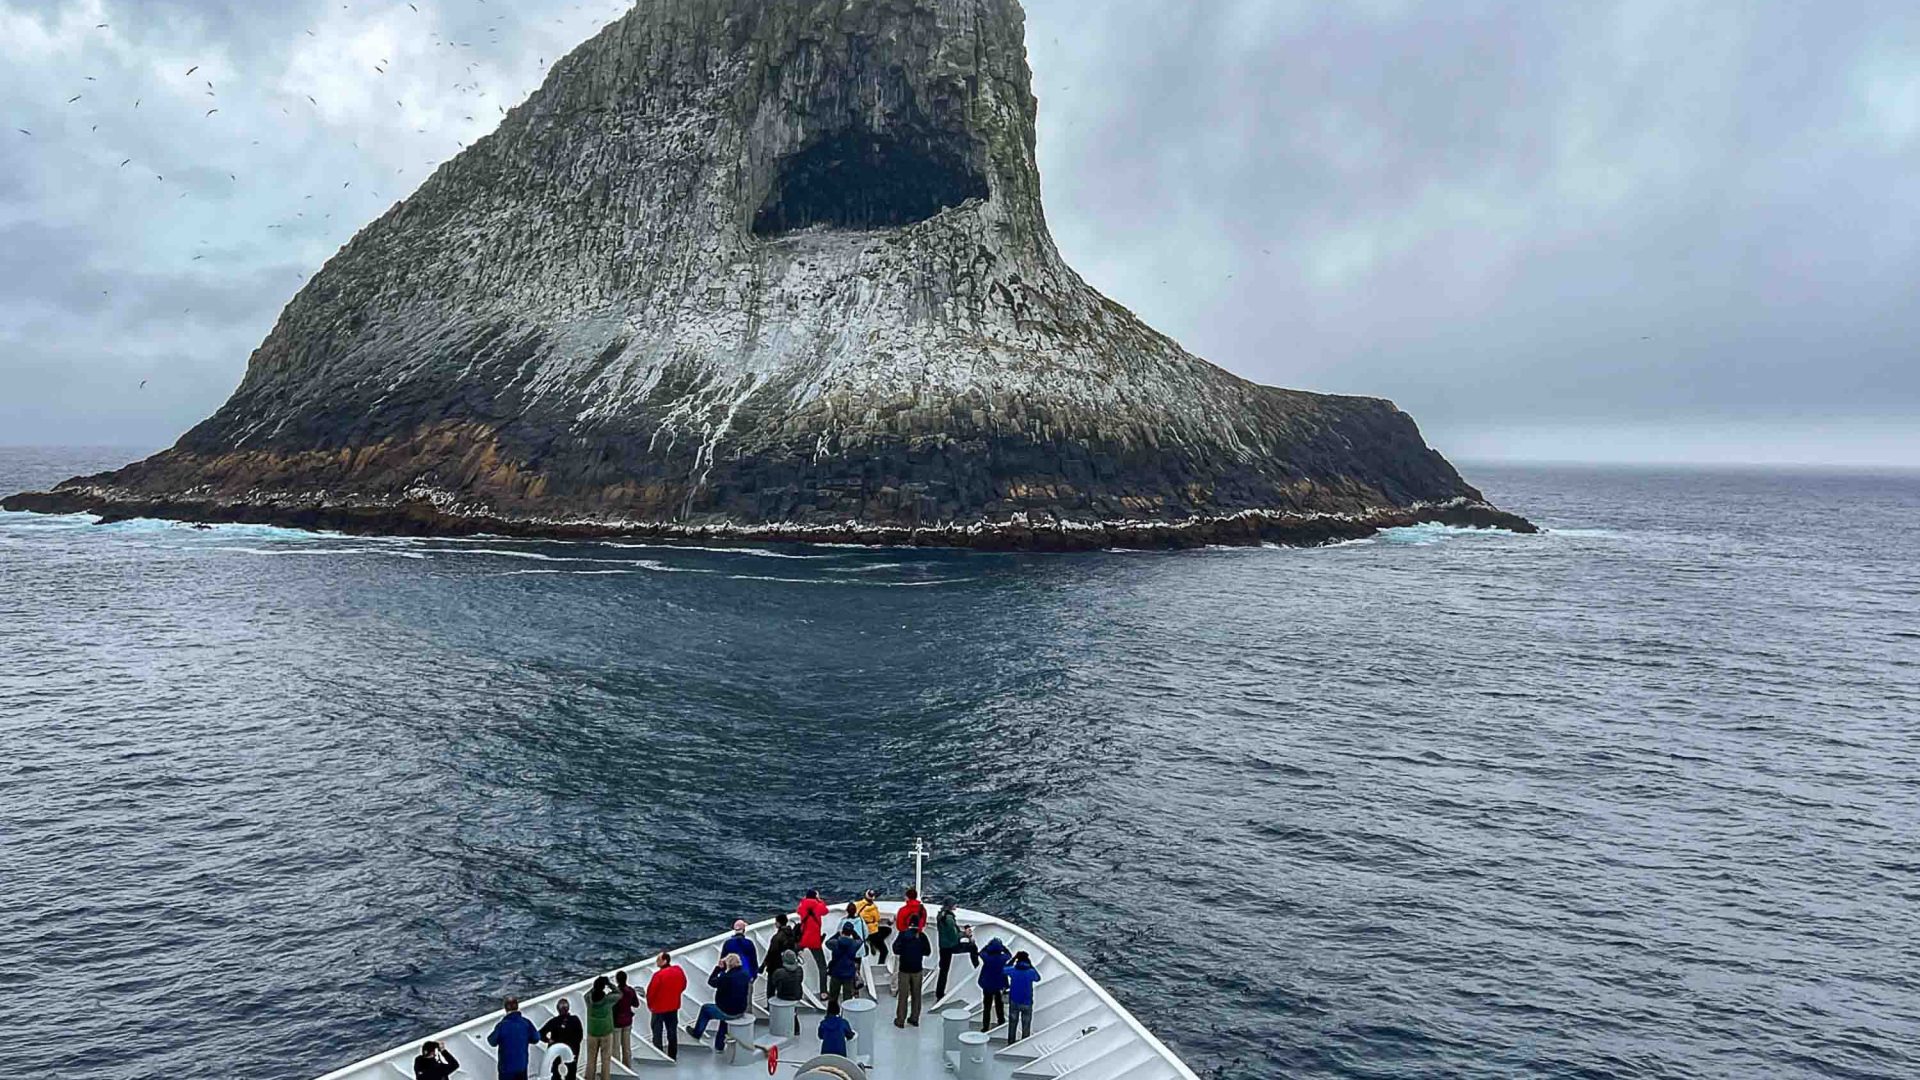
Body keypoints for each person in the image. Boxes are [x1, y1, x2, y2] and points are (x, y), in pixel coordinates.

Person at [688, 953, 752, 1052]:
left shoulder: (726, 977)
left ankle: (697, 1033)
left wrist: (718, 969)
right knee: (725, 1017)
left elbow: (711, 982)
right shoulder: (745, 974)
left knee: (706, 1009)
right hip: (740, 1009)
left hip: (728, 1011)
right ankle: (719, 1044)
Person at [487, 998, 542, 1080]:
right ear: (517, 1007)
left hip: (506, 1069)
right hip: (522, 1066)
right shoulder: (526, 1023)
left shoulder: (501, 1026)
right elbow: (536, 1038)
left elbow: (492, 1041)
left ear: (505, 1008)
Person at [646, 952, 686, 1060]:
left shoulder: (658, 976)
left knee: (657, 1032)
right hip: (673, 1006)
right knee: (672, 1031)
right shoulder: (678, 970)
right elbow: (683, 985)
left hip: (659, 1008)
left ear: (665, 961)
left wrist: (651, 1005)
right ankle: (673, 1055)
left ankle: (659, 1055)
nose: (656, 962)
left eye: (658, 959)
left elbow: (651, 993)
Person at [934, 905, 981, 1000]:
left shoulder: (941, 915)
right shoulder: (949, 919)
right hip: (951, 946)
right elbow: (953, 936)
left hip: (943, 946)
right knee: (972, 947)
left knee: (943, 971)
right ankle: (977, 966)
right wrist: (965, 934)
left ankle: (939, 993)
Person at [892, 921, 932, 1027]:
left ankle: (900, 1020)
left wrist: (904, 952)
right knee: (916, 995)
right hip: (917, 969)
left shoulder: (902, 934)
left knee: (903, 996)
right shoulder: (922, 936)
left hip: (904, 969)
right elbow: (928, 951)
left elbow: (895, 949)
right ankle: (914, 1018)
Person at [538, 997, 582, 1080]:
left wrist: (549, 1041)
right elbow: (579, 1036)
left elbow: (540, 1033)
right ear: (568, 1008)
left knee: (555, 1074)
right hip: (572, 1052)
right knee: (571, 1074)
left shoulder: (554, 1021)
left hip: (556, 1055)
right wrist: (574, 1048)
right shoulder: (575, 1020)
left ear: (558, 1009)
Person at [583, 976, 617, 1080]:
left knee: (591, 1059)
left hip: (592, 1033)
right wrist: (609, 984)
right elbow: (619, 994)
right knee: (605, 1060)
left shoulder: (588, 999)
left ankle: (589, 1077)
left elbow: (586, 994)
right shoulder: (608, 1000)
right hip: (606, 1033)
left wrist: (596, 986)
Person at [797, 889, 830, 992]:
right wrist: (819, 900)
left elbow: (799, 911)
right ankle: (823, 992)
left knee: (791, 952)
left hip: (803, 939)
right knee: (822, 967)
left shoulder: (802, 905)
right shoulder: (818, 905)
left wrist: (806, 900)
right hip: (815, 940)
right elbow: (825, 911)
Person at [977, 937, 1013, 1032]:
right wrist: (1003, 947)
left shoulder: (987, 958)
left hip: (987, 985)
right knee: (999, 1005)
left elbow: (981, 952)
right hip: (999, 986)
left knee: (987, 1007)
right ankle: (1001, 1021)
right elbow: (1009, 955)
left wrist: (987, 946)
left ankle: (985, 1027)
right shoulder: (1002, 959)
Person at [1006, 951, 1043, 1043]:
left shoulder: (1013, 970)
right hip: (1027, 1002)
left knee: (1012, 1024)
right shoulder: (1030, 972)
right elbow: (1038, 978)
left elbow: (1004, 969)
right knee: (1026, 1025)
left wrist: (1013, 958)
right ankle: (1024, 1043)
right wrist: (1030, 965)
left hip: (1014, 1001)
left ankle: (1011, 1042)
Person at [825, 921, 864, 1008]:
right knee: (848, 998)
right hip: (849, 973)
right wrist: (854, 933)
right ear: (851, 932)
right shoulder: (854, 944)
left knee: (833, 997)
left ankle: (831, 1015)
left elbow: (827, 942)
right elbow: (860, 941)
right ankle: (847, 1015)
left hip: (836, 973)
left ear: (842, 931)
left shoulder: (835, 943)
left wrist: (837, 934)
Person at [612, 970, 640, 1067]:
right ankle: (628, 1066)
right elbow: (636, 1004)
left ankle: (619, 1068)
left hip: (616, 1023)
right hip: (627, 1021)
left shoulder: (615, 993)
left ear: (617, 980)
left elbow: (612, 1008)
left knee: (615, 1048)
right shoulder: (630, 991)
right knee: (626, 1046)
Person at [855, 890, 891, 963]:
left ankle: (872, 942)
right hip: (872, 932)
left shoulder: (858, 904)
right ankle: (880, 964)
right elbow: (877, 919)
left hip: (861, 931)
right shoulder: (873, 908)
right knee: (884, 951)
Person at [765, 913, 797, 980]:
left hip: (776, 966)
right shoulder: (791, 934)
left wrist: (763, 967)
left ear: (778, 923)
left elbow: (771, 953)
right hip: (788, 965)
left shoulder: (776, 937)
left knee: (771, 988)